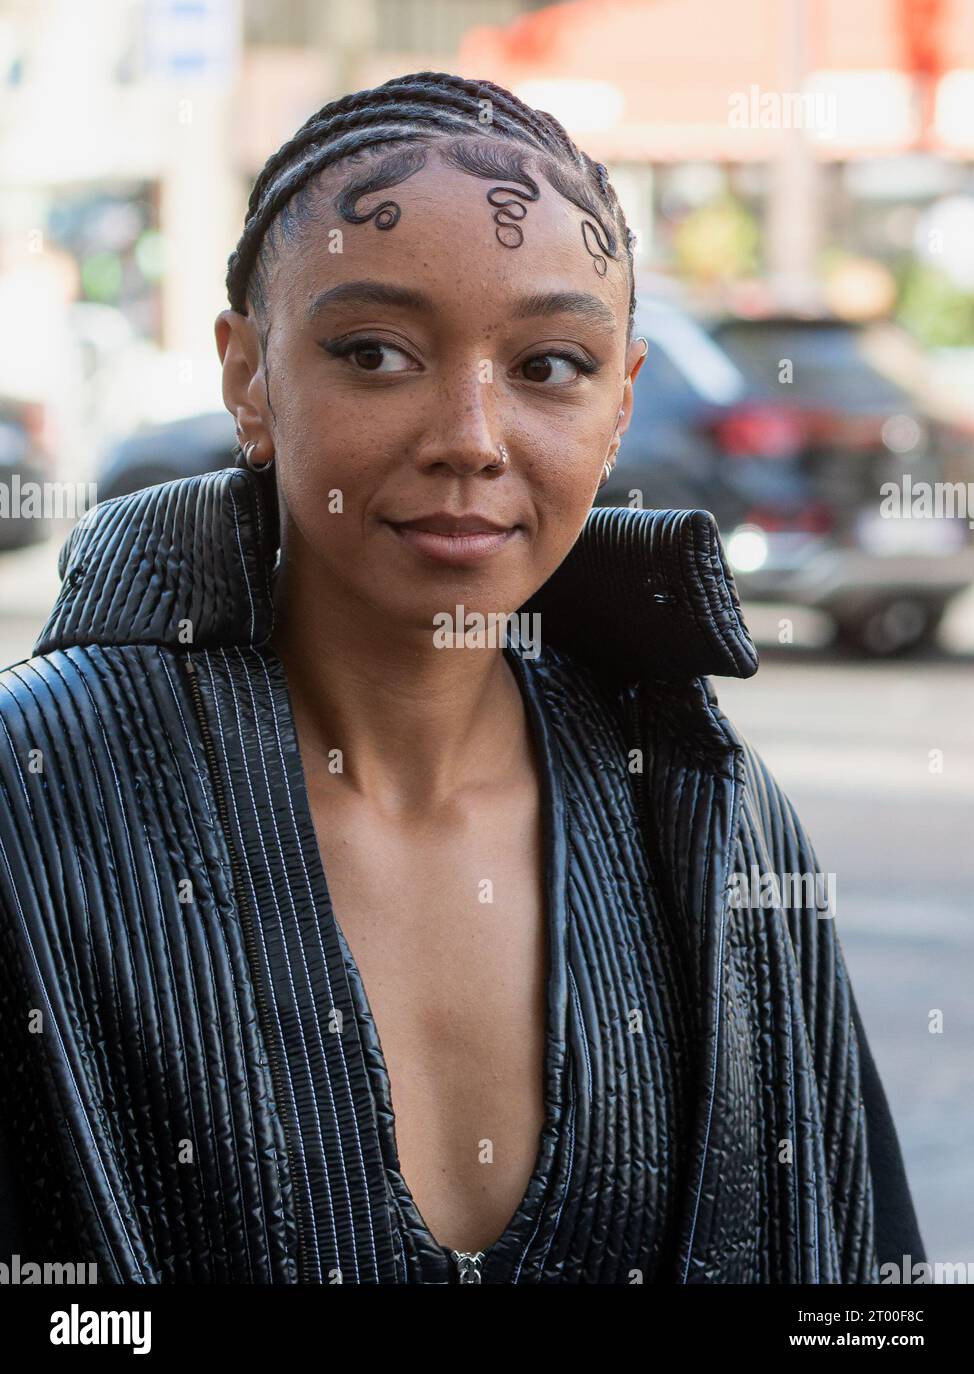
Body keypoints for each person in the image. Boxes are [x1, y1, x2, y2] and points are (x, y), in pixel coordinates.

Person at [0, 72, 924, 1285]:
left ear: (619, 405)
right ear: (247, 378)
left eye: (548, 366)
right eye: (374, 351)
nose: (471, 437)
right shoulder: (35, 801)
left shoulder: (713, 821)